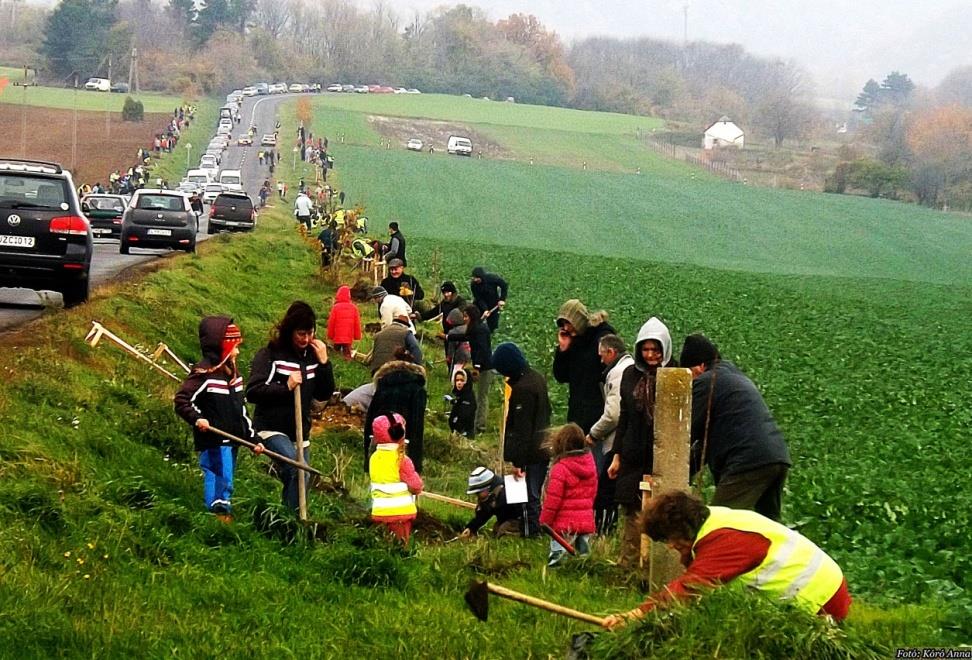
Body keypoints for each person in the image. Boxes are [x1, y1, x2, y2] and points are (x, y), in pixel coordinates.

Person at [602, 490, 851, 629]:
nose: (670, 545)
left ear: (683, 527)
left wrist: (634, 615)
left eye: (669, 537)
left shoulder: (724, 541)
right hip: (817, 592)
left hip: (820, 602)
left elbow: (689, 588)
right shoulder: (715, 521)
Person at [678, 336, 792, 521]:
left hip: (748, 460)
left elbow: (686, 431)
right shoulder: (734, 377)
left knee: (718, 523)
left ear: (699, 366)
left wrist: (673, 469)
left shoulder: (708, 382)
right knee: (769, 526)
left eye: (689, 372)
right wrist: (688, 470)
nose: (690, 380)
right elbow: (706, 443)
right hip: (777, 457)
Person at [245, 302, 335, 510]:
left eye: (310, 333)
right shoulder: (271, 354)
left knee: (304, 477)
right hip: (270, 427)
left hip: (300, 432)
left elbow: (324, 393)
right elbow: (253, 392)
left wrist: (324, 364)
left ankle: (292, 521)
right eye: (300, 334)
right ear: (289, 331)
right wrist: (285, 386)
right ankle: (290, 521)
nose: (305, 339)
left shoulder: (313, 356)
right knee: (298, 469)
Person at [174, 317, 261, 519]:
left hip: (232, 440)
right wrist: (197, 419)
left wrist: (253, 439)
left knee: (226, 475)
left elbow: (242, 411)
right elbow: (182, 401)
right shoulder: (204, 375)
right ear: (221, 348)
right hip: (213, 438)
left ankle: (221, 508)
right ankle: (216, 513)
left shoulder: (234, 377)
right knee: (218, 474)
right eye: (234, 347)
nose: (238, 352)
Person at [608, 317, 676, 568]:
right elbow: (625, 415)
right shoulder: (630, 375)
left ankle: (655, 568)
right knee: (631, 512)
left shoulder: (676, 375)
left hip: (663, 454)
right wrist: (617, 455)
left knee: (663, 513)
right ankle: (628, 566)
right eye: (645, 350)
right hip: (633, 452)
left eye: (655, 350)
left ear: (665, 349)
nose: (650, 355)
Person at [492, 342, 550, 537]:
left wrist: (518, 462)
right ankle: (530, 530)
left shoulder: (523, 389)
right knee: (532, 494)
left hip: (529, 454)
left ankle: (530, 533)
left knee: (526, 496)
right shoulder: (537, 379)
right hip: (541, 449)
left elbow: (522, 429)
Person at [587, 334, 634, 534]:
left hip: (616, 442)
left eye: (602, 355)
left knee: (605, 493)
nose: (600, 360)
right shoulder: (629, 367)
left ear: (611, 352)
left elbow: (613, 415)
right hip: (625, 441)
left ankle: (603, 533)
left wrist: (593, 434)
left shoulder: (617, 373)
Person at [553, 299, 616, 434]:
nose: (566, 328)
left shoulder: (603, 337)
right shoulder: (573, 341)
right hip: (577, 415)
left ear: (578, 321)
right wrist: (562, 350)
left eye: (568, 323)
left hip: (599, 415)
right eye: (563, 324)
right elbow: (561, 376)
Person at [540, 423, 597, 567]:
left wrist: (545, 521)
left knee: (558, 559)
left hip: (564, 525)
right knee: (584, 558)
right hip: (585, 520)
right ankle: (584, 574)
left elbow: (553, 500)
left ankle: (555, 577)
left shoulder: (560, 468)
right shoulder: (590, 465)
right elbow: (593, 492)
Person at [364, 360, 427, 473]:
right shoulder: (417, 389)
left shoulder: (383, 385)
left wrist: (367, 458)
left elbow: (370, 419)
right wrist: (416, 465)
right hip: (403, 440)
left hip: (380, 440)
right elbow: (417, 425)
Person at [369, 413, 423, 543]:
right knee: (400, 547)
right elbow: (416, 486)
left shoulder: (374, 458)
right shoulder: (401, 459)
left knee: (384, 545)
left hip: (379, 512)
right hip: (400, 514)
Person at [446, 305, 492, 434]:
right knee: (476, 395)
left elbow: (482, 349)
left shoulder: (480, 330)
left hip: (484, 367)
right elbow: (465, 337)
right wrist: (447, 337)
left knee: (482, 396)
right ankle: (472, 421)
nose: (464, 319)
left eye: (466, 316)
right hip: (480, 366)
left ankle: (480, 426)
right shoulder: (475, 328)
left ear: (472, 316)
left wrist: (477, 367)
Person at [459, 467, 523, 538]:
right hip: (508, 519)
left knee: (503, 530)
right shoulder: (491, 496)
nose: (477, 496)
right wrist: (471, 528)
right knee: (497, 528)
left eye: (478, 493)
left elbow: (528, 510)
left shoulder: (510, 490)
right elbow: (484, 514)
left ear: (486, 487)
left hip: (523, 519)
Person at [368, 309, 422, 374]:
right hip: (394, 369)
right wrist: (418, 369)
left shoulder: (379, 334)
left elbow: (373, 354)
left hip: (376, 370)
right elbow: (415, 349)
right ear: (406, 325)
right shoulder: (406, 333)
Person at [326, 285, 362, 359]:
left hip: (337, 337)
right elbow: (357, 324)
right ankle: (347, 365)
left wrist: (330, 336)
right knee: (347, 354)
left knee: (335, 354)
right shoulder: (354, 308)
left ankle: (337, 366)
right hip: (348, 337)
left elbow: (331, 323)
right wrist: (357, 336)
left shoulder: (335, 307)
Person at [469, 267, 508, 333]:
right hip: (480, 304)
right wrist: (485, 309)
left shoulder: (492, 278)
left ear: (482, 277)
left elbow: (504, 285)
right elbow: (479, 298)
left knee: (492, 327)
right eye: (474, 278)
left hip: (493, 303)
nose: (475, 280)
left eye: (477, 278)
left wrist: (502, 299)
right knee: (475, 320)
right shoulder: (473, 285)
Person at [447, 368, 476, 437]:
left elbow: (465, 416)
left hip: (464, 434)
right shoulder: (460, 396)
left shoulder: (468, 397)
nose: (459, 383)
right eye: (457, 380)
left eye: (462, 380)